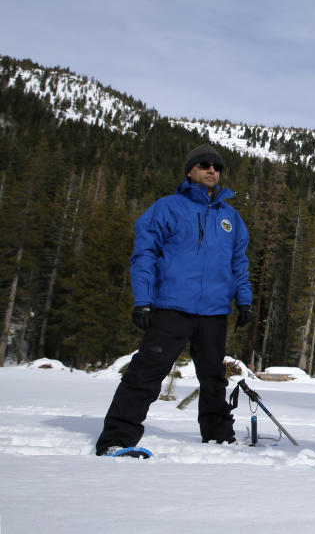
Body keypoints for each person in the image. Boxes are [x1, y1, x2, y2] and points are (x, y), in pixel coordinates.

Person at [95, 144, 253, 455]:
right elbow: (144, 256)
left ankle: (218, 436)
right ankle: (116, 438)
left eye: (217, 167)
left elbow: (239, 262)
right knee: (146, 373)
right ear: (190, 171)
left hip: (214, 312)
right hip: (171, 308)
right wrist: (143, 300)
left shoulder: (230, 218)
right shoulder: (167, 208)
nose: (211, 170)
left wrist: (244, 300)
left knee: (213, 379)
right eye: (204, 164)